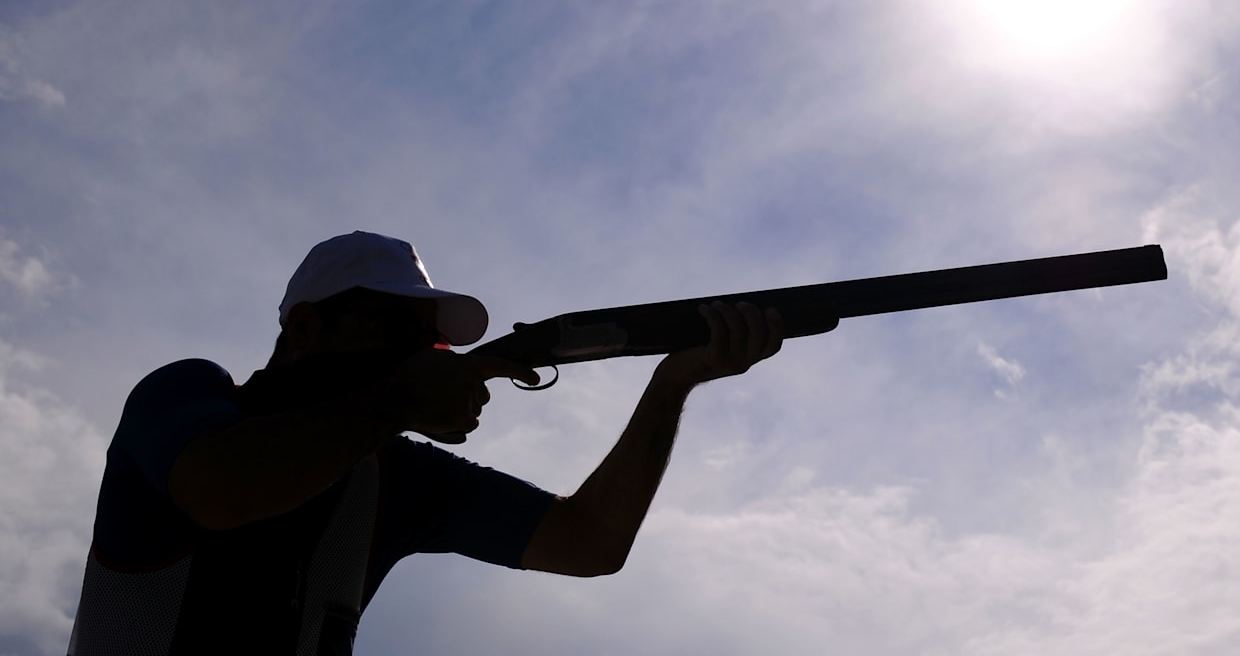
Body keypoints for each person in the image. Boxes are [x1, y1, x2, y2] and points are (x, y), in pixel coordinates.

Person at [67, 230, 785, 655]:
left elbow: (590, 542)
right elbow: (221, 491)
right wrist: (402, 398)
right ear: (307, 328)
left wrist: (674, 383)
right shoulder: (191, 393)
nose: (423, 355)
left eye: (429, 342)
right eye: (396, 332)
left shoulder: (399, 475)